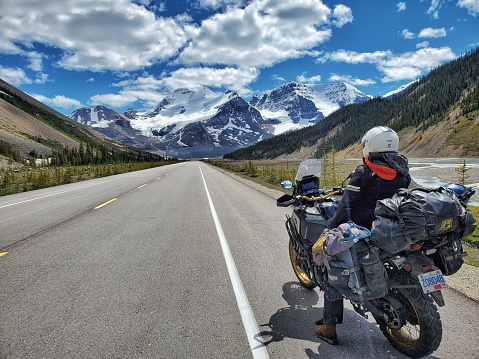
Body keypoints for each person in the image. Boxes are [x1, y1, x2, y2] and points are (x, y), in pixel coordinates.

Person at [314, 126, 411, 345]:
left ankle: (329, 327)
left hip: (362, 231)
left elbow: (345, 206)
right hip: (391, 229)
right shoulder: (402, 169)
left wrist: (328, 231)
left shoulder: (365, 172)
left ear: (370, 145)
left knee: (332, 268)